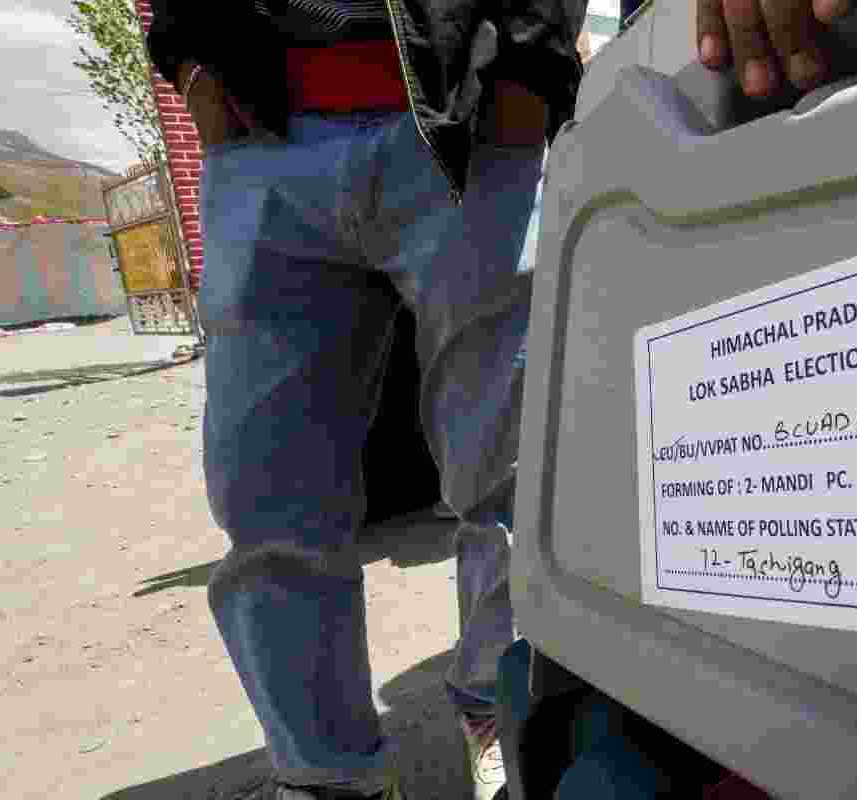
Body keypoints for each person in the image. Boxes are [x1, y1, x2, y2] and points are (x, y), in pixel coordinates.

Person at [146, 2, 583, 798]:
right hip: (265, 134)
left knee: (509, 476)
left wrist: (528, 64)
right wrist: (191, 62)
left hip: (472, 119)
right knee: (267, 499)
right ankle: (324, 774)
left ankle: (501, 708)